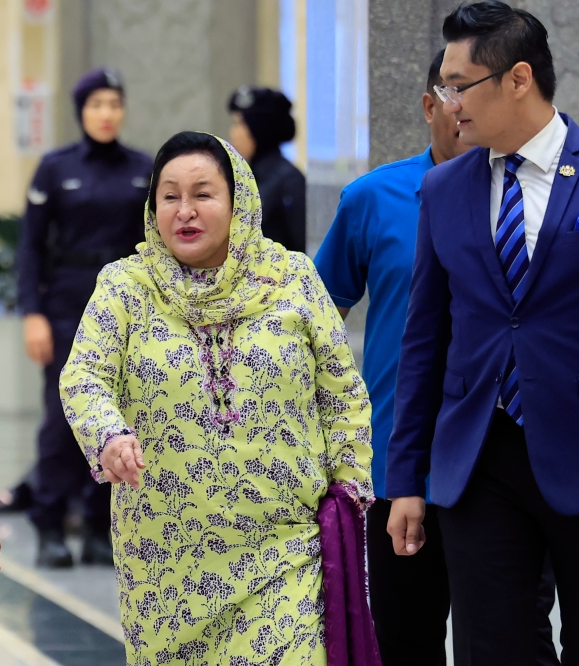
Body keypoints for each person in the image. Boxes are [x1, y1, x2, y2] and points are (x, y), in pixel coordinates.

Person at [386, 3, 579, 664]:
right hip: (479, 463)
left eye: (458, 85)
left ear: (518, 78)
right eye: (444, 86)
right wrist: (405, 477)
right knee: (492, 651)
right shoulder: (442, 190)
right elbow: (423, 345)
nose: (446, 103)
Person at [60, 131, 376, 664]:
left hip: (285, 551)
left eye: (203, 194)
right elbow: (84, 376)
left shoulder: (293, 279)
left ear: (239, 201)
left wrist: (348, 489)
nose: (185, 211)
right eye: (169, 196)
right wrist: (108, 435)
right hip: (166, 564)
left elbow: (342, 393)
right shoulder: (125, 287)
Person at [316, 50, 559, 666]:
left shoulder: (535, 199)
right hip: (399, 465)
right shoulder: (372, 199)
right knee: (403, 639)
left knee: (517, 637)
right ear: (430, 106)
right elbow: (312, 323)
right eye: (454, 94)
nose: (467, 110)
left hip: (502, 464)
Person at [2, 67, 153, 568]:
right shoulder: (55, 168)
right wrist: (33, 314)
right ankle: (49, 522)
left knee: (121, 416)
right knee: (63, 418)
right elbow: (30, 248)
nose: (106, 114)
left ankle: (96, 525)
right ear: (81, 111)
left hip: (126, 309)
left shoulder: (142, 169)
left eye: (114, 103)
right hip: (67, 304)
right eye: (96, 105)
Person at [227, 86, 307, 252]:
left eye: (240, 124)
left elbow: (298, 246)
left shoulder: (289, 180)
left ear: (259, 129)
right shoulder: (241, 175)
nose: (233, 133)